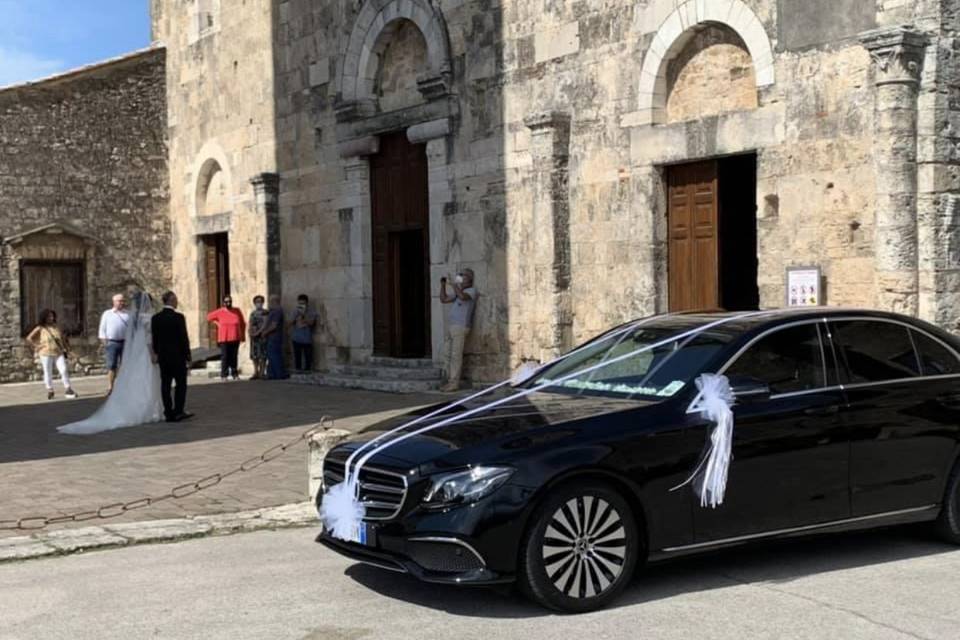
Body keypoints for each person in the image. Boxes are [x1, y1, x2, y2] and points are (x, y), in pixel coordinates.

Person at [58, 292, 163, 434]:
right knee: (147, 379)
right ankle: (149, 409)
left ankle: (139, 407)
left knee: (137, 379)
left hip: (136, 352)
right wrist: (152, 353)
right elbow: (149, 337)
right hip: (145, 351)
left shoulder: (132, 317)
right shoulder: (147, 318)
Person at [151, 291, 194, 423]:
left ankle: (168, 412)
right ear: (170, 300)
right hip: (178, 356)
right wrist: (188, 355)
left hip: (164, 357)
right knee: (181, 384)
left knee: (165, 384)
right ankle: (179, 411)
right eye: (175, 299)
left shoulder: (156, 318)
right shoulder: (178, 317)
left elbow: (155, 339)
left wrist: (157, 352)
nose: (177, 302)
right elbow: (183, 337)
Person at [25, 309, 78, 401]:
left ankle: (68, 388)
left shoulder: (56, 327)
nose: (51, 318)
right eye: (49, 316)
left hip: (58, 352)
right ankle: (50, 389)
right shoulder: (40, 328)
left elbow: (62, 340)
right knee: (47, 371)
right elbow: (29, 338)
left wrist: (69, 351)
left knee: (63, 369)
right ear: (44, 317)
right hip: (45, 352)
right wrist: (37, 346)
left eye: (52, 316)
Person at [439, 268, 477, 392]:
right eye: (460, 275)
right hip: (452, 327)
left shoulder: (471, 291)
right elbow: (443, 299)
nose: (461, 277)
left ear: (470, 279)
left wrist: (454, 284)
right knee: (448, 354)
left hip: (461, 327)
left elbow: (462, 297)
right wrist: (443, 285)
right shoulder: (459, 291)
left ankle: (454, 383)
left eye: (463, 276)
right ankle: (448, 380)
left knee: (456, 356)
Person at [206, 295, 246, 380]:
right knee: (225, 357)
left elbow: (242, 323)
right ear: (223, 303)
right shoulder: (220, 311)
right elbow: (208, 317)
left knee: (234, 356)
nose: (228, 303)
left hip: (235, 337)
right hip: (224, 337)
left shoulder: (237, 310)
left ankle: (235, 374)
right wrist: (217, 323)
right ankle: (224, 375)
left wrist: (242, 336)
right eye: (226, 302)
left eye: (230, 301)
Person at [98, 293, 130, 396]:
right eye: (119, 301)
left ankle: (123, 386)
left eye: (122, 301)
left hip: (125, 342)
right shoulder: (107, 314)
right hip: (112, 342)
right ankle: (110, 386)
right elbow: (102, 329)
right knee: (111, 365)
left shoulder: (128, 314)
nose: (121, 303)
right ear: (114, 302)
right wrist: (105, 342)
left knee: (125, 365)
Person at [262, 294, 288, 380]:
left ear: (274, 301)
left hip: (274, 337)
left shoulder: (277, 311)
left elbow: (274, 325)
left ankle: (279, 374)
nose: (269, 303)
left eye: (270, 301)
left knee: (274, 355)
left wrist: (265, 332)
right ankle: (272, 374)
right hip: (271, 337)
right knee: (271, 355)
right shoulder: (273, 311)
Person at [289, 294, 318, 373]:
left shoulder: (311, 311)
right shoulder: (295, 311)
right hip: (296, 337)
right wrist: (296, 315)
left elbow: (311, 323)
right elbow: (290, 322)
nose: (301, 305)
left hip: (306, 337)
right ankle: (298, 369)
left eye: (303, 303)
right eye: (300, 303)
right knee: (297, 355)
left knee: (307, 355)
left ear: (306, 303)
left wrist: (304, 315)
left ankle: (307, 369)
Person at [248, 295, 268, 380]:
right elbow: (250, 323)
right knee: (254, 355)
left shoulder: (265, 312)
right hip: (254, 337)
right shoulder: (253, 313)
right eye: (257, 302)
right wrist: (250, 332)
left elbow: (265, 324)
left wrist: (258, 332)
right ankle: (255, 372)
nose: (258, 303)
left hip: (262, 336)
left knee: (262, 355)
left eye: (260, 301)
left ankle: (262, 372)